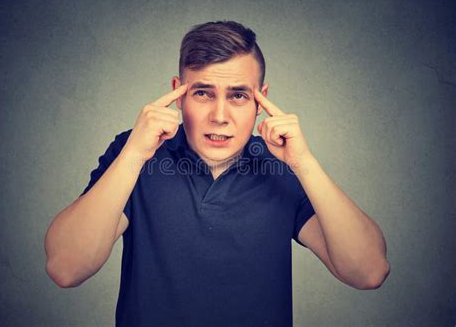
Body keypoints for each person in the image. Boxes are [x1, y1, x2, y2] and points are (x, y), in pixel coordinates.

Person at [44, 21, 390, 327]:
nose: (219, 116)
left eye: (238, 95)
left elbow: (369, 271)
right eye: (203, 93)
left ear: (261, 100)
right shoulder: (137, 154)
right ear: (178, 94)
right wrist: (134, 154)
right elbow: (66, 268)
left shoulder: (283, 167)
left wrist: (305, 163)